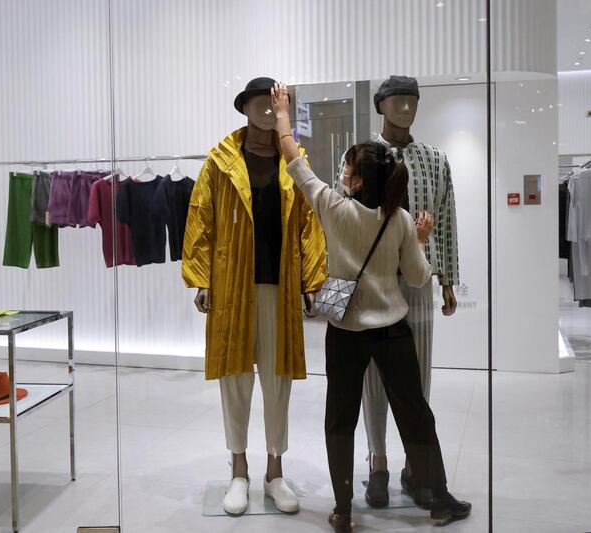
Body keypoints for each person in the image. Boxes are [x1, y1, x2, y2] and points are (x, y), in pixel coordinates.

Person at [272, 82, 471, 532]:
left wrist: (284, 114)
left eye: (346, 166)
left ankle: (343, 509)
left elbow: (292, 158)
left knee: (339, 420)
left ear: (356, 179)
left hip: (346, 332)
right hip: (393, 329)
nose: (340, 170)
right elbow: (418, 278)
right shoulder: (398, 218)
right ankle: (438, 499)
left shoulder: (332, 208)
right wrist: (419, 240)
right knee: (415, 412)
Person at [182, 77, 327, 516]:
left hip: (279, 286)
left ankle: (275, 471)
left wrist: (310, 281)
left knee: (277, 381)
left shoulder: (293, 159)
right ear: (244, 108)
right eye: (257, 103)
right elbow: (200, 216)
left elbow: (310, 222)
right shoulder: (221, 160)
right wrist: (202, 277)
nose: (265, 110)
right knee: (235, 381)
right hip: (232, 283)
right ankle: (239, 471)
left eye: (273, 103)